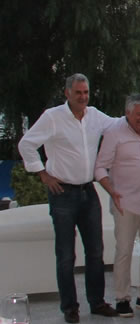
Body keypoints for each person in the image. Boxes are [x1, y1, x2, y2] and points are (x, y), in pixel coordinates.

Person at [18, 74, 122, 322]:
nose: (83, 97)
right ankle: (70, 308)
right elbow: (26, 144)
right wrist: (42, 173)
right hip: (62, 194)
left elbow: (118, 125)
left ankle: (97, 302)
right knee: (66, 255)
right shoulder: (52, 117)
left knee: (96, 252)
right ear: (67, 93)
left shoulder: (95, 115)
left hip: (88, 191)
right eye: (78, 93)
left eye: (86, 92)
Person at [94, 94, 140, 317]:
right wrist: (111, 191)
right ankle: (122, 298)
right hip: (124, 204)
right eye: (139, 114)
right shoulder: (114, 132)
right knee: (124, 251)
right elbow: (100, 167)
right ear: (128, 113)